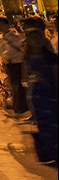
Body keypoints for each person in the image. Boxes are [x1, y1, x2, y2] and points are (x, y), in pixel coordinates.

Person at [24, 21, 57, 163]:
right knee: (43, 125)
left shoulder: (51, 58)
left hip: (50, 93)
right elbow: (25, 76)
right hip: (36, 95)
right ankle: (48, 154)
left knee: (54, 124)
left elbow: (55, 78)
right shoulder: (28, 58)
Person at [0, 17, 29, 117]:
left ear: (7, 25)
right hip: (7, 65)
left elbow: (24, 48)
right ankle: (20, 106)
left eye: (0, 25)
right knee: (15, 85)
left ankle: (20, 107)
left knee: (17, 85)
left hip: (18, 63)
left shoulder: (16, 36)